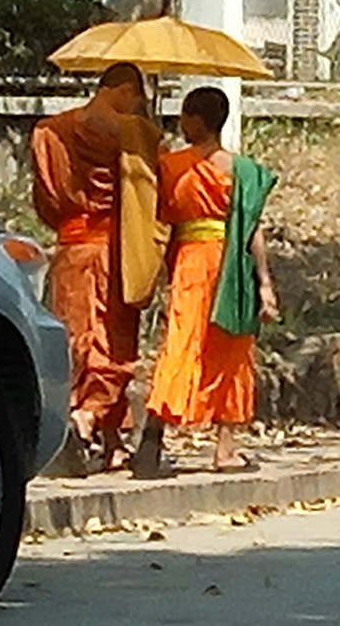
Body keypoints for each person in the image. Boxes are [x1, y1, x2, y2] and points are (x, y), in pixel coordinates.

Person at [132, 87, 280, 476]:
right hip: (229, 265)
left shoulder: (172, 166)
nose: (180, 122)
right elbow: (252, 232)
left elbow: (161, 219)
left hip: (190, 262)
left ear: (199, 120)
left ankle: (153, 438)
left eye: (184, 115)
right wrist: (264, 283)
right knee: (229, 349)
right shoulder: (242, 171)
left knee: (182, 344)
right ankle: (224, 450)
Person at [31, 63, 166, 472]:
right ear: (123, 90)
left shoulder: (49, 131)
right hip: (114, 248)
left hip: (69, 247)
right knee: (113, 341)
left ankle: (110, 442)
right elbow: (150, 194)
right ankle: (85, 419)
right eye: (136, 96)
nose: (137, 106)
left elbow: (45, 199)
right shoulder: (133, 132)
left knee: (74, 338)